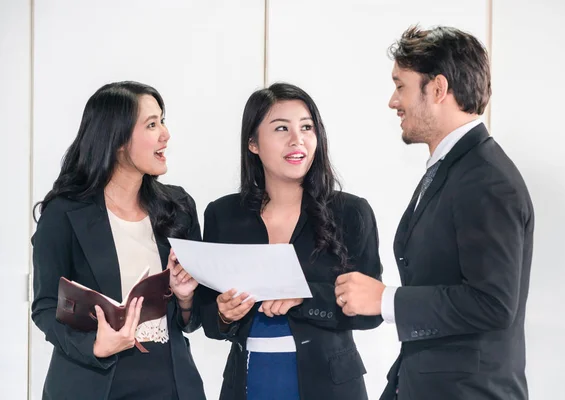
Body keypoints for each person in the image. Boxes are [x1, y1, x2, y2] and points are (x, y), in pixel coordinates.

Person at [334, 26, 534, 400]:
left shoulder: (487, 179)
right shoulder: (456, 168)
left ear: (438, 89)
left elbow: (493, 303)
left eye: (401, 86)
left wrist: (385, 299)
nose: (394, 101)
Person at [174, 83, 382, 400]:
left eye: (307, 127)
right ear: (253, 143)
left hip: (331, 388)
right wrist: (224, 313)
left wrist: (304, 297)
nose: (297, 139)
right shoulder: (224, 214)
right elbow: (210, 323)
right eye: (281, 128)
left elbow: (373, 312)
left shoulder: (351, 212)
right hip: (248, 384)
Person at [31, 81, 206, 400]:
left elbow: (192, 320)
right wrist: (95, 345)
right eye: (152, 124)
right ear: (117, 140)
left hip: (171, 383)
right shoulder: (64, 213)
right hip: (91, 384)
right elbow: (45, 306)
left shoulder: (178, 207)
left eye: (162, 121)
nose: (165, 134)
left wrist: (185, 298)